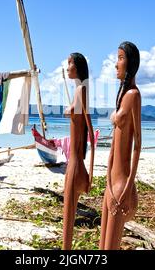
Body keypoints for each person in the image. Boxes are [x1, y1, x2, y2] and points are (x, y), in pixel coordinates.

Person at [99, 42, 141, 250]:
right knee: (102, 246)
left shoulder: (133, 95)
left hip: (121, 184)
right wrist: (107, 175)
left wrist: (128, 185)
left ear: (131, 63)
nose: (116, 64)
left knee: (111, 246)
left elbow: (138, 145)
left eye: (121, 58)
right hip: (110, 182)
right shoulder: (122, 96)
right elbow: (114, 145)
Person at [62, 52, 95, 250]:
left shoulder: (81, 90)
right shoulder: (80, 91)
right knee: (68, 215)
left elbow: (89, 129)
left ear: (78, 67)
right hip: (75, 162)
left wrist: (90, 171)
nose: (67, 68)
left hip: (75, 164)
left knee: (68, 218)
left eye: (70, 64)